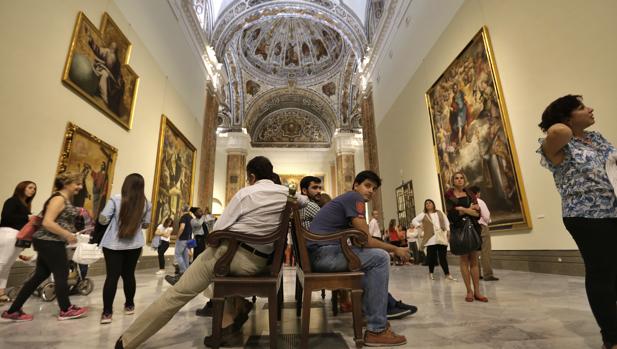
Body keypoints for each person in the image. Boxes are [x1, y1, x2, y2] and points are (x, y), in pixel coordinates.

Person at [114, 156, 307, 349]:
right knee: (213, 276)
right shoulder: (288, 195)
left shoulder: (246, 194)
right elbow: (304, 200)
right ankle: (231, 318)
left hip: (232, 257)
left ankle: (128, 341)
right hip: (259, 262)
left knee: (178, 293)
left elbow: (217, 232)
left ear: (252, 176)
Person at [538, 95, 617, 349]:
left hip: (613, 210)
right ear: (567, 117)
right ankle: (612, 337)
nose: (591, 109)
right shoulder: (558, 144)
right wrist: (561, 120)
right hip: (585, 216)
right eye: (582, 107)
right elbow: (557, 131)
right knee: (601, 272)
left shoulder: (597, 138)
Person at [308, 171, 410, 346]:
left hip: (320, 253)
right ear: (356, 185)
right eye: (367, 185)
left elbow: (360, 240)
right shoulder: (354, 199)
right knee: (381, 258)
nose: (371, 191)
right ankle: (377, 329)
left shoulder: (348, 200)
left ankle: (368, 315)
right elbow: (367, 240)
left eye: (374, 188)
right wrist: (396, 249)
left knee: (371, 260)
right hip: (324, 254)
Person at [1, 173, 88, 321]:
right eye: (77, 183)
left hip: (48, 241)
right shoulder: (59, 199)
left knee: (39, 276)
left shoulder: (62, 199)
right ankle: (65, 309)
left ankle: (13, 311)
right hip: (50, 241)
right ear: (67, 183)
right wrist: (67, 234)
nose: (80, 187)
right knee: (61, 274)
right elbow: (47, 222)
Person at [98, 173, 151, 324]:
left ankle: (107, 313)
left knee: (112, 277)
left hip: (113, 245)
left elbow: (103, 219)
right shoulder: (146, 204)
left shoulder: (116, 199)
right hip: (134, 245)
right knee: (129, 275)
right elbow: (146, 224)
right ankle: (129, 305)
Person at [445, 172, 487, 303]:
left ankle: (477, 292)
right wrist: (469, 209)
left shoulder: (470, 193)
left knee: (474, 260)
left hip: (472, 228)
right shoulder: (449, 195)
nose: (459, 180)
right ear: (453, 181)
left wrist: (463, 209)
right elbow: (451, 214)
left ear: (465, 180)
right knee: (464, 260)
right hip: (458, 229)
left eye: (461, 178)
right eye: (456, 178)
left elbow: (477, 213)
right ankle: (469, 291)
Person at [0, 181, 37, 302]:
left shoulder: (25, 205)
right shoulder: (12, 201)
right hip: (8, 233)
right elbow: (6, 216)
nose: (33, 190)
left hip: (17, 236)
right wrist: (27, 217)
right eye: (30, 187)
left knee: (7, 265)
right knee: (2, 263)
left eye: (34, 189)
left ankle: (1, 293)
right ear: (22, 188)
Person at [412, 199, 456, 281]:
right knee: (431, 257)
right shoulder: (423, 214)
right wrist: (419, 226)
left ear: (433, 204)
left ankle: (447, 274)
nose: (428, 204)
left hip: (441, 237)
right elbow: (414, 220)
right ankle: (431, 273)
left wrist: (448, 231)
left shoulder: (440, 212)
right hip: (430, 239)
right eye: (426, 204)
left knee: (443, 257)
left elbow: (446, 222)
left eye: (430, 203)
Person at [468, 186, 499, 281]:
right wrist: (488, 221)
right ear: (477, 193)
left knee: (475, 253)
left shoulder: (467, 202)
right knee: (485, 251)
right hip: (482, 227)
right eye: (479, 192)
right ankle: (488, 274)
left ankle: (477, 274)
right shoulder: (479, 202)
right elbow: (486, 216)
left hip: (472, 229)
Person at [165, 205, 193, 285]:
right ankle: (187, 275)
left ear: (182, 210)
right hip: (188, 239)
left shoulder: (183, 217)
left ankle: (184, 272)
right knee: (185, 256)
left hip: (182, 239)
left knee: (178, 255)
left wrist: (177, 237)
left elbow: (182, 227)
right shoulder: (191, 217)